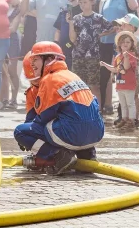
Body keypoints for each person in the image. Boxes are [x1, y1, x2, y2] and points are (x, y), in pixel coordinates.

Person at [14, 42, 105, 174]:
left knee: (21, 132)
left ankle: (58, 156)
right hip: (96, 134)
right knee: (72, 119)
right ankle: (87, 154)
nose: (32, 63)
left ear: (49, 59)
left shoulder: (49, 80)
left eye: (36, 59)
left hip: (71, 134)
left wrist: (31, 142)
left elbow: (43, 118)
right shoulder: (72, 76)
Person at [98, 0, 139, 114]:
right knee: (104, 72)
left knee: (123, 73)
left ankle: (125, 113)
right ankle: (103, 105)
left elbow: (134, 7)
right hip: (106, 40)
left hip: (122, 42)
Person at [70, 0, 115, 101]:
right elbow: (72, 39)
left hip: (93, 56)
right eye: (80, 2)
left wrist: (100, 35)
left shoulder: (98, 18)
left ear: (92, 2)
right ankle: (80, 110)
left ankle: (97, 111)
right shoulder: (76, 18)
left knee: (94, 86)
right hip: (78, 56)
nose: (82, 5)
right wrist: (70, 23)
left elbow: (111, 28)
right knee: (78, 86)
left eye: (85, 2)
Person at [101, 31, 138, 130]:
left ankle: (131, 121)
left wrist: (126, 57)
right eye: (123, 42)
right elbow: (115, 69)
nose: (125, 44)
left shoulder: (131, 55)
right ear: (119, 44)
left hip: (129, 84)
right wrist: (105, 64)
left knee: (130, 103)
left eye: (128, 42)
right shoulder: (117, 56)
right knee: (123, 104)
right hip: (120, 84)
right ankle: (124, 119)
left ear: (132, 44)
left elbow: (126, 67)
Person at [54, 0, 84, 67]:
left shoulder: (84, 11)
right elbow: (58, 30)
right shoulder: (65, 10)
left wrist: (70, 44)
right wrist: (56, 45)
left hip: (78, 55)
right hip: (63, 54)